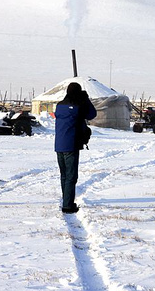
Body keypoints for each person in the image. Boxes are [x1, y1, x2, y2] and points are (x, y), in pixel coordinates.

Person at [54, 82, 97, 214]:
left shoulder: (59, 105)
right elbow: (92, 114)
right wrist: (86, 99)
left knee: (64, 175)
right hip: (71, 145)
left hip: (59, 145)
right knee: (71, 176)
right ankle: (67, 205)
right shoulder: (79, 106)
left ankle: (66, 200)